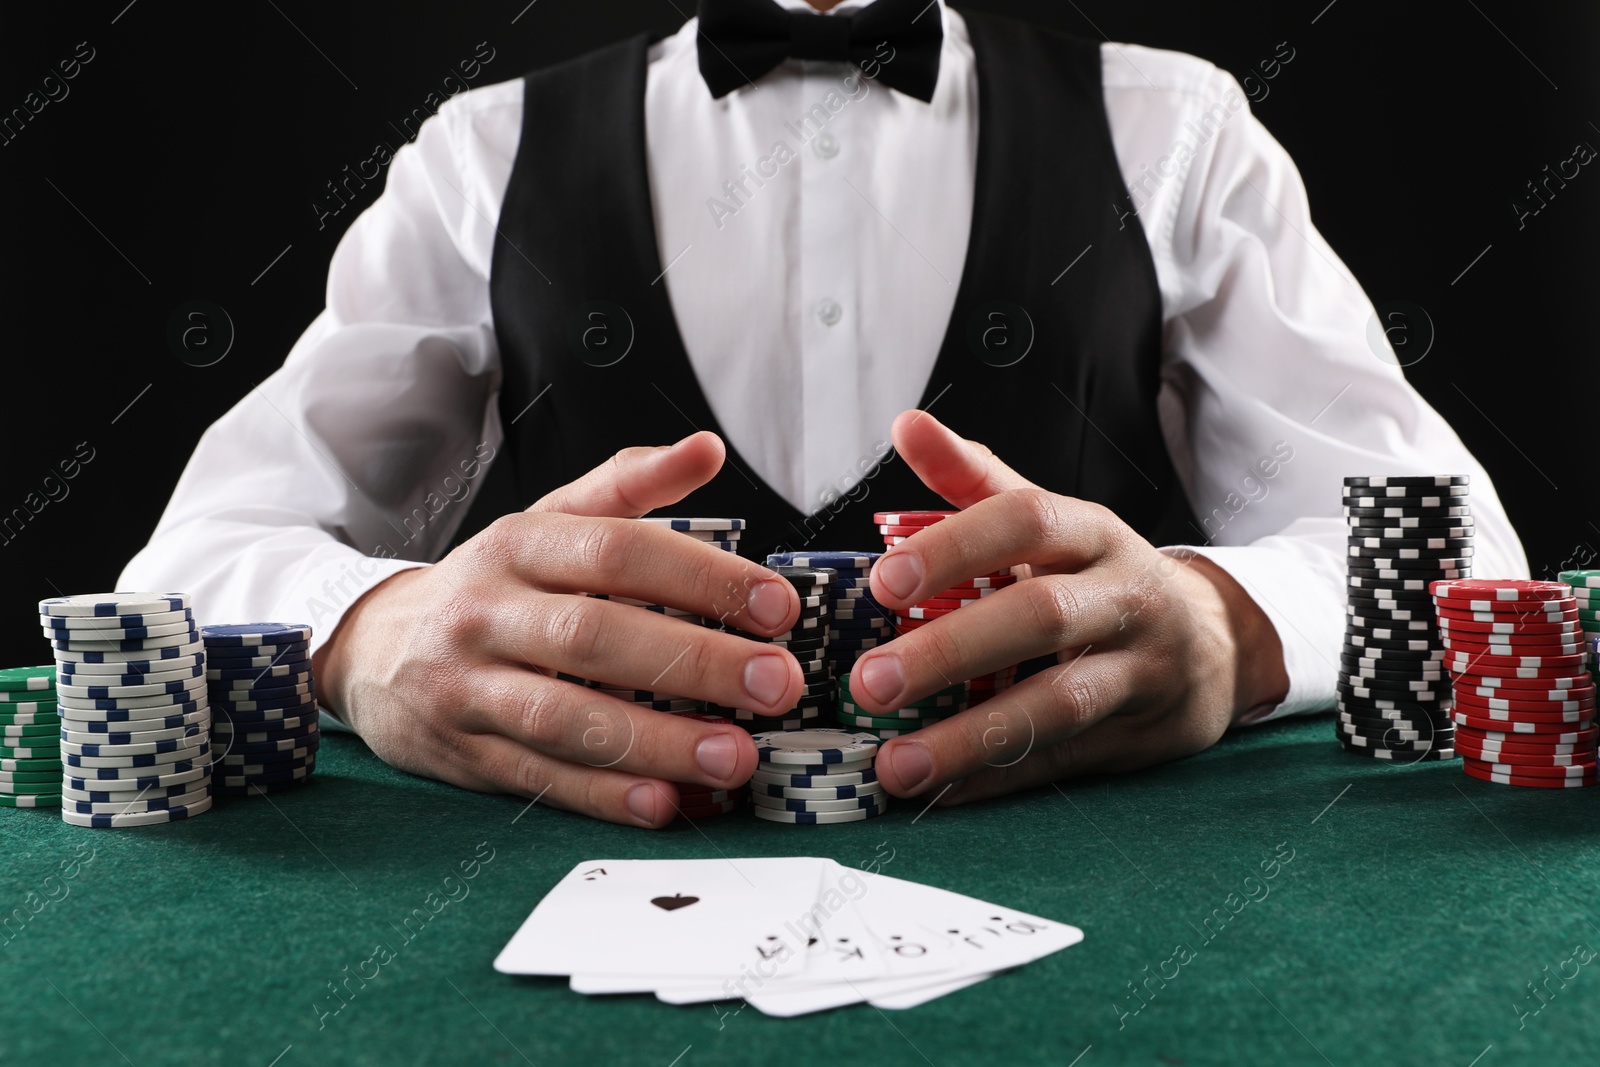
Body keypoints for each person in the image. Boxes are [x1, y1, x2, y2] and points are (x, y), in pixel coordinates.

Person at [119, 0, 1526, 826]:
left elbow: (1457, 557)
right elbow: (193, 562)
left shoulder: (1180, 128)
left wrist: (1230, 624)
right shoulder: (479, 158)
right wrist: (373, 636)